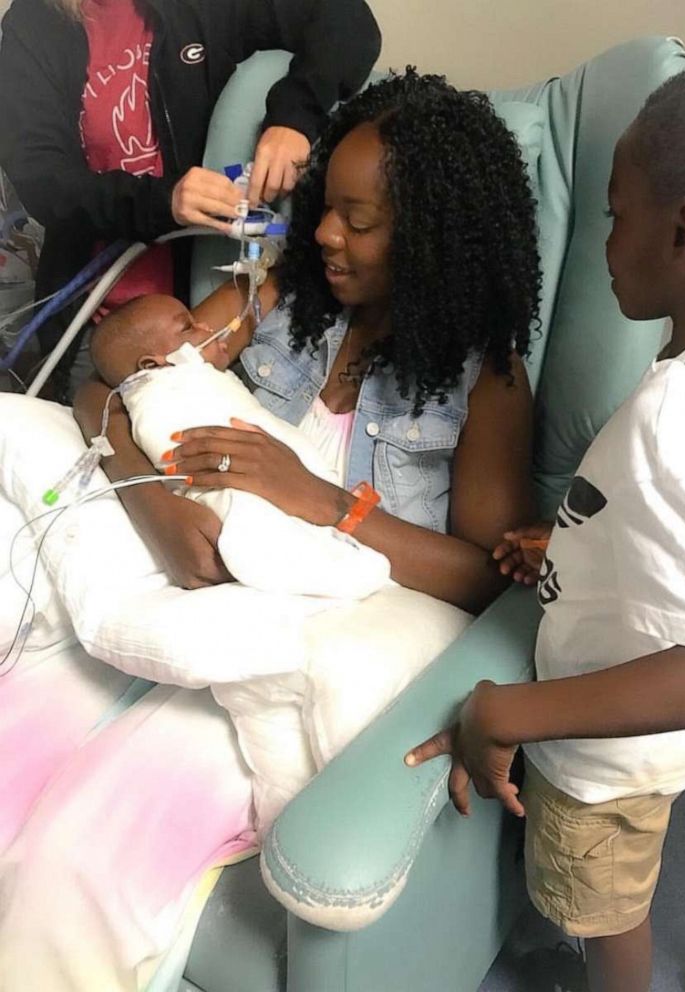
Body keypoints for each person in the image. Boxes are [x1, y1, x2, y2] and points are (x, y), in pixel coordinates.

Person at [0, 70, 540, 990]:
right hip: (177, 597)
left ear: (435, 238)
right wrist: (155, 506)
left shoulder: (486, 383)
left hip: (277, 650)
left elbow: (484, 582)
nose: (325, 234)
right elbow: (111, 386)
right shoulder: (280, 301)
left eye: (360, 223)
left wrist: (320, 501)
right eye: (328, 208)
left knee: (77, 862)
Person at [406, 46, 685, 992]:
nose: (603, 242)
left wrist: (513, 708)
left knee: (610, 907)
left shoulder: (684, 417)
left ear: (684, 230)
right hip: (660, 747)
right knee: (615, 876)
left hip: (605, 755)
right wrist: (580, 537)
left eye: (613, 215)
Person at [0, 0, 381, 396]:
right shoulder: (34, 24)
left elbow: (346, 20)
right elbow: (43, 180)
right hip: (98, 324)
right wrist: (165, 203)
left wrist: (293, 119)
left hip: (212, 306)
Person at [89, 293, 390, 597]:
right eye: (190, 327)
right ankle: (293, 565)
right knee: (245, 516)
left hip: (317, 502)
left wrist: (320, 496)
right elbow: (105, 385)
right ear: (154, 365)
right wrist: (153, 505)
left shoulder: (191, 365)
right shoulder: (163, 388)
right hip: (218, 481)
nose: (207, 327)